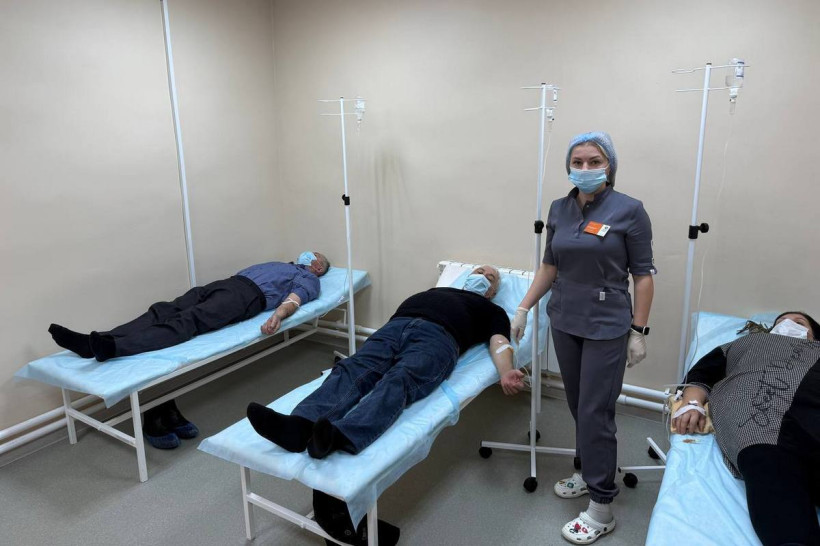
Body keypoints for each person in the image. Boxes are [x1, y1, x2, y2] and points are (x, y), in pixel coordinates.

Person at [510, 132, 656, 543]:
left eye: (595, 161)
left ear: (610, 166)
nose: (586, 168)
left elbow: (643, 277)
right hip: (565, 319)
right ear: (568, 166)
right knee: (578, 405)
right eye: (578, 161)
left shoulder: (630, 210)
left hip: (607, 326)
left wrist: (638, 330)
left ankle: (601, 505)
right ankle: (587, 469)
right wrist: (523, 307)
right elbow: (549, 266)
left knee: (595, 412)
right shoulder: (559, 208)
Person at [48, 251, 330, 449]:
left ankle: (113, 347)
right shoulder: (282, 263)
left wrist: (277, 316)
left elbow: (293, 301)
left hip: (246, 297)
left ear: (317, 267)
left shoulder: (309, 279)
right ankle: (94, 341)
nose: (308, 255)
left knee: (187, 322)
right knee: (163, 310)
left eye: (314, 256)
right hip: (226, 283)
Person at [246, 265, 525, 460]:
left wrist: (506, 372)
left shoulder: (491, 309)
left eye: (490, 277)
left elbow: (499, 342)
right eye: (479, 271)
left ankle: (340, 436)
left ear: (492, 291)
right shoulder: (435, 291)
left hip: (440, 338)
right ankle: (298, 426)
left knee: (400, 378)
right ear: (467, 276)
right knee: (351, 368)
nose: (483, 276)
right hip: (394, 327)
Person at [674, 311, 820, 546]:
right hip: (759, 421)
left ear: (814, 335)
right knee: (768, 467)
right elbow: (702, 373)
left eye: (799, 322)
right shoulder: (744, 344)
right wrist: (692, 403)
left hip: (812, 410)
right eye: (780, 322)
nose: (788, 324)